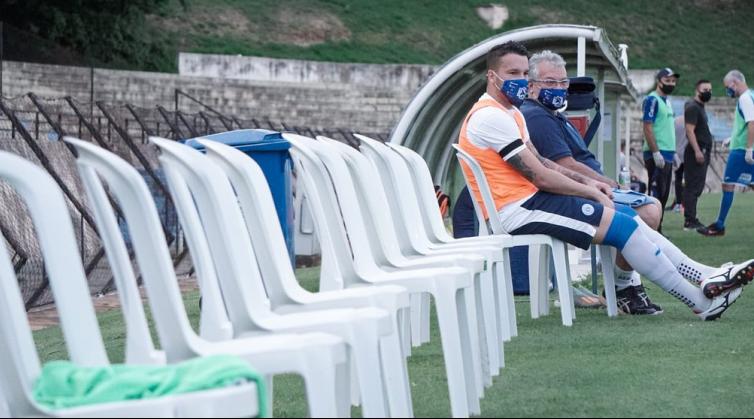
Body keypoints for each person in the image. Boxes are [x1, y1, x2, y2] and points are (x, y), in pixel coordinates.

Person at [458, 40, 753, 321]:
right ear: (492, 75)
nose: (521, 80)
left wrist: (593, 185)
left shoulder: (510, 113)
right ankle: (701, 302)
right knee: (624, 225)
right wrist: (589, 188)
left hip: (530, 200)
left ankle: (704, 276)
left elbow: (544, 162)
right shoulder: (490, 117)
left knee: (626, 216)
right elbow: (538, 175)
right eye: (514, 74)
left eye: (524, 73)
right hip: (516, 209)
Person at [520, 50, 664, 315]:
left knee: (650, 207)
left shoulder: (553, 114)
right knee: (649, 211)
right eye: (550, 82)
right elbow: (565, 165)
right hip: (573, 196)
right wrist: (606, 183)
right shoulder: (537, 115)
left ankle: (626, 285)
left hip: (586, 190)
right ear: (531, 87)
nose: (559, 88)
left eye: (563, 82)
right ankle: (623, 288)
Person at [700, 70, 754, 237]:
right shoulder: (751, 95)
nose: (727, 90)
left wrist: (748, 149)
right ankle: (719, 224)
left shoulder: (745, 98)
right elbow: (747, 125)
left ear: (734, 83)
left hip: (741, 150)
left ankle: (719, 225)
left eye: (727, 87)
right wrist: (733, 137)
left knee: (727, 184)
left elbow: (752, 123)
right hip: (741, 145)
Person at [643, 68, 680, 231]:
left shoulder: (667, 102)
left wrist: (674, 153)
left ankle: (658, 229)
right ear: (659, 81)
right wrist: (655, 152)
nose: (671, 84)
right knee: (657, 192)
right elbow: (647, 126)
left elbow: (667, 129)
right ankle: (653, 230)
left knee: (664, 194)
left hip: (668, 153)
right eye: (667, 80)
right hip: (657, 154)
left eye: (673, 81)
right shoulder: (652, 99)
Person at [683, 80, 714, 232]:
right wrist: (697, 150)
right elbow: (689, 131)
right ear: (697, 90)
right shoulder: (693, 107)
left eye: (710, 89)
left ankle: (692, 217)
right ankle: (690, 220)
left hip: (703, 150)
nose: (708, 92)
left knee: (697, 187)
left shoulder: (700, 107)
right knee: (692, 187)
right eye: (705, 89)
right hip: (697, 151)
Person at [669, 115, 688, 213]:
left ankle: (678, 203)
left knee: (678, 179)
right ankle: (685, 204)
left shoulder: (675, 121)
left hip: (677, 153)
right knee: (687, 180)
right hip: (688, 154)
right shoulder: (691, 121)